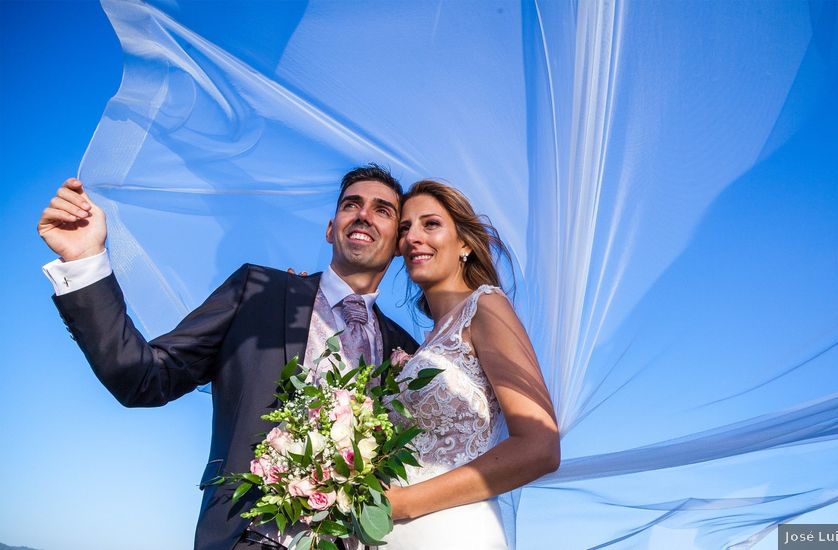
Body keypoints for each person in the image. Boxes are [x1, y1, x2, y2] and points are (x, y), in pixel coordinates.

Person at [36, 165, 420, 550]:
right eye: (351, 204)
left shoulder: (406, 352)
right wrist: (84, 260)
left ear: (399, 242)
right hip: (245, 535)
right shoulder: (258, 291)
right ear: (330, 227)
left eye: (382, 210)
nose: (364, 214)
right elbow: (144, 378)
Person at [382, 180, 560, 548]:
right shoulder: (417, 348)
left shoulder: (487, 306)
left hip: (452, 531)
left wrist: (403, 503)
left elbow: (540, 446)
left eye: (430, 224)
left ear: (464, 242)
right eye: (405, 228)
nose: (414, 236)